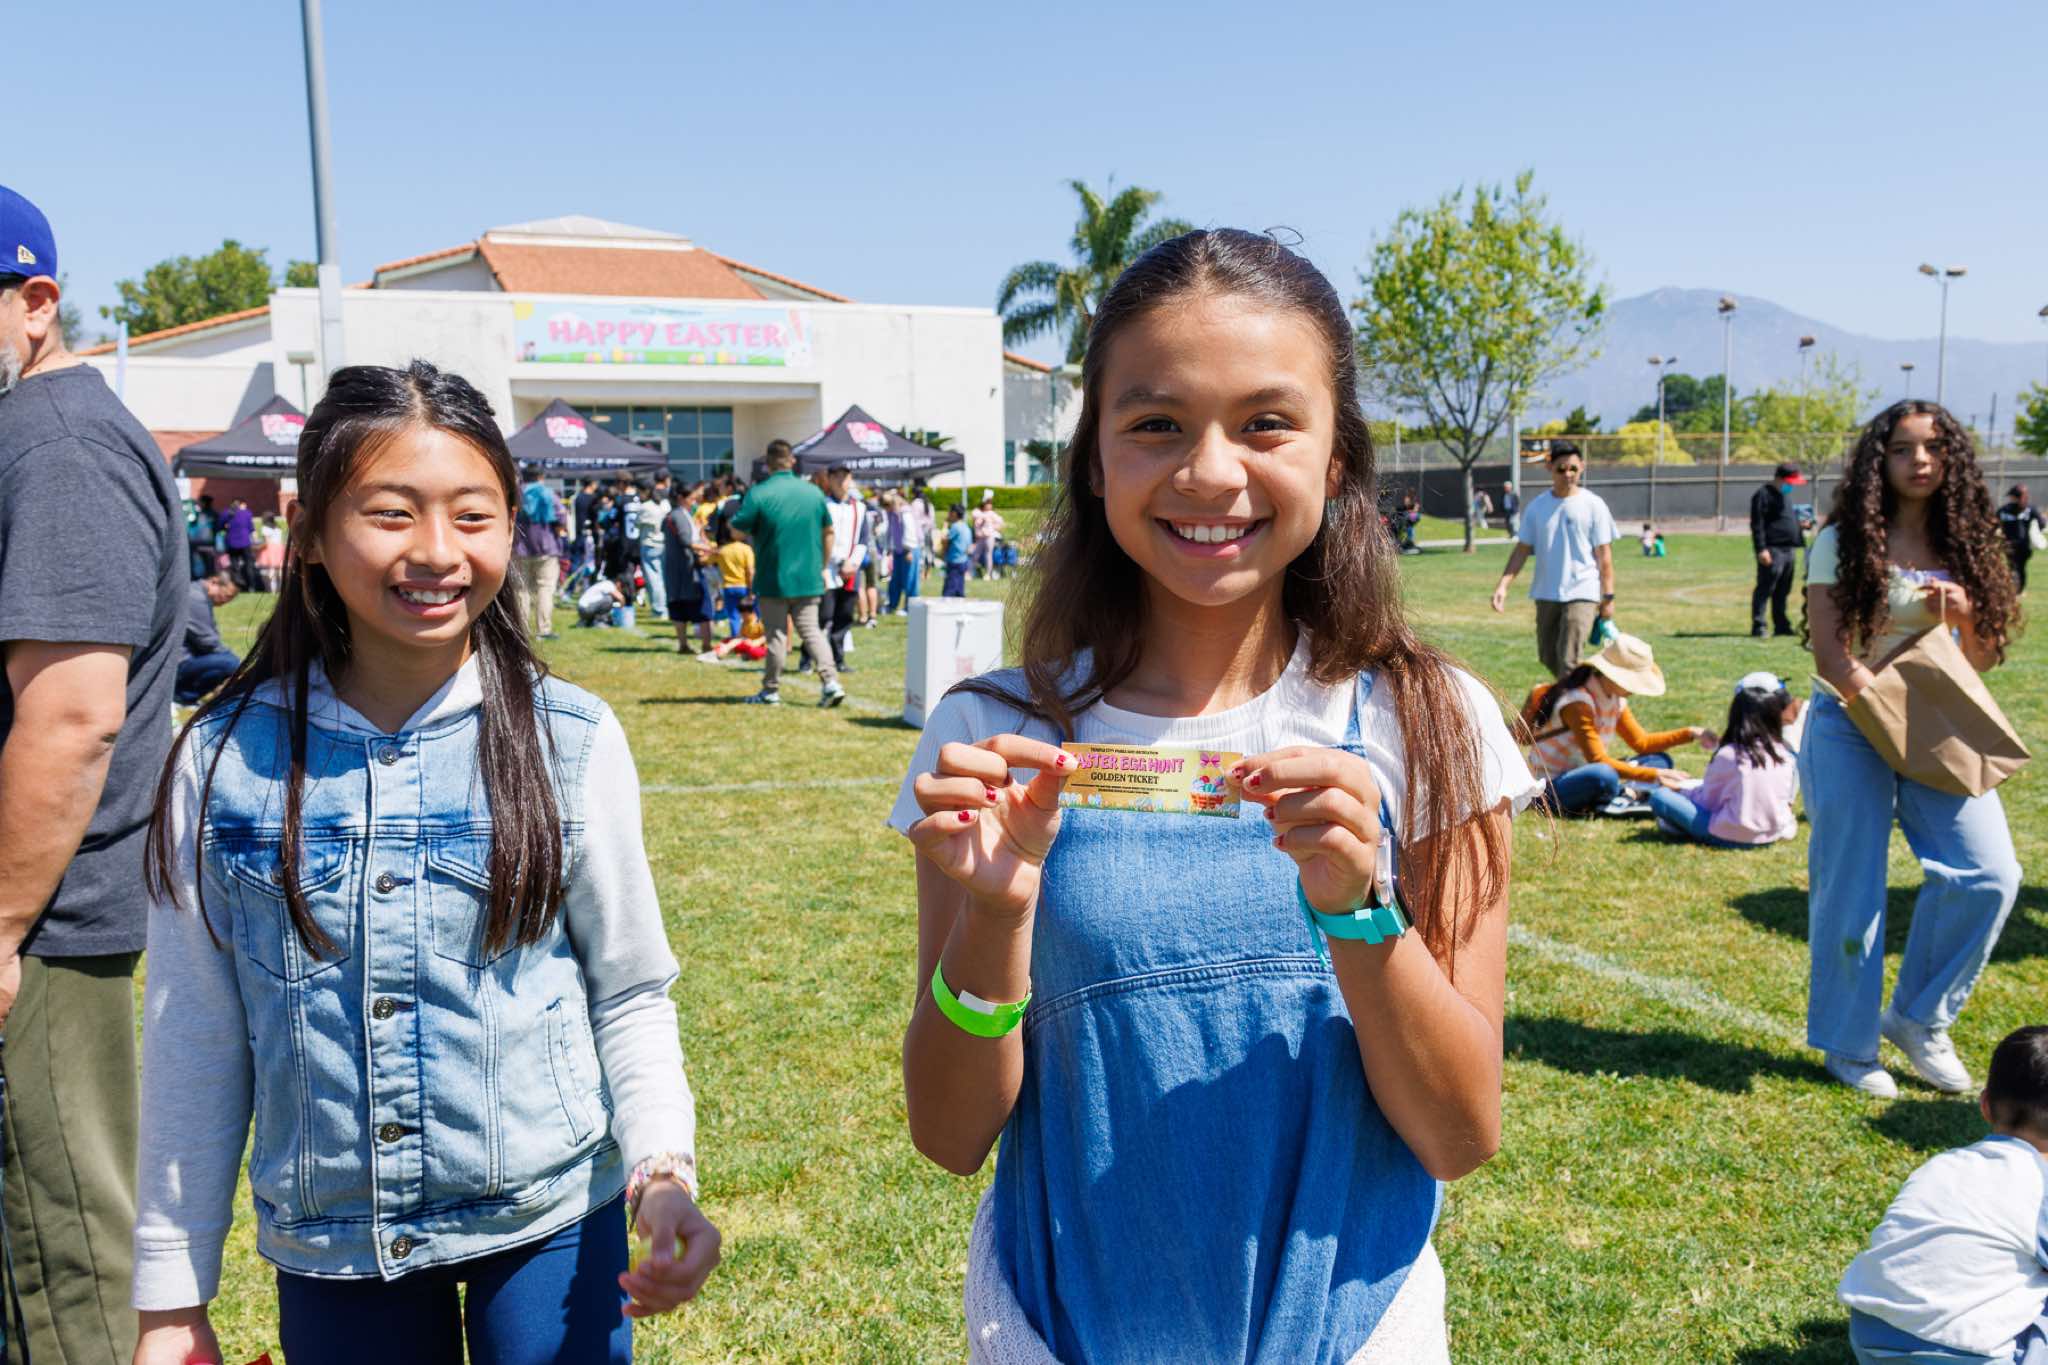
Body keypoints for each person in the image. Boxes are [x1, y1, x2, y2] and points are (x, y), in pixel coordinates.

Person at [893, 228, 1537, 1363]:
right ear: (1094, 460)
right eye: (1155, 423)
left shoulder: (1430, 720)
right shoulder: (991, 736)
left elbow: (1457, 1131)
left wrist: (1360, 913)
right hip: (1056, 1335)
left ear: (1336, 458)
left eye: (1266, 423)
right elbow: (949, 1136)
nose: (1208, 472)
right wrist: (995, 916)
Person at [130, 361, 718, 1365]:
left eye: (472, 515)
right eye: (391, 513)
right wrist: (170, 1301)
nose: (437, 551)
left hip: (546, 1218)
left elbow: (628, 990)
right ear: (310, 534)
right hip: (332, 1245)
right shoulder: (221, 760)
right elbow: (195, 1036)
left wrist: (663, 1169)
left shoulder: (572, 738)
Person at [0, 185, 185, 1364]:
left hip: (42, 936)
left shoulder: (60, 445)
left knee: (59, 1281)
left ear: (35, 304)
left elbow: (72, 720)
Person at [1801, 400, 2021, 1099]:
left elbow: (1981, 660)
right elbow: (1831, 653)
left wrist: (1966, 615)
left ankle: (1920, 1018)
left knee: (1989, 873)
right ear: (1880, 459)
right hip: (1848, 724)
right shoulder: (1841, 540)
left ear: (1952, 457)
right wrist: (1885, 717)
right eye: (1902, 448)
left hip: (1935, 723)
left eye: (1932, 447)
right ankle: (1848, 1044)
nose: (1919, 460)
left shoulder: (1969, 541)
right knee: (1853, 888)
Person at [1837, 1025, 2048, 1365]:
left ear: (1985, 1105)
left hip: (1872, 1340)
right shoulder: (2041, 1187)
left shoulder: (1942, 1164)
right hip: (1961, 1356)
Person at [1518, 633, 1712, 817]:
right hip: (1552, 785)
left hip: (1584, 770)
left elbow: (1642, 743)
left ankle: (1621, 796)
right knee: (1604, 775)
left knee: (1659, 760)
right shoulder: (1578, 703)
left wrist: (1690, 733)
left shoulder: (1614, 698)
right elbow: (1597, 759)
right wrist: (1656, 775)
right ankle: (1625, 794)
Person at [1489, 441, 1618, 678]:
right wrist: (1503, 585)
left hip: (1583, 591)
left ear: (1582, 467)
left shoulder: (1594, 505)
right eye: (1561, 469)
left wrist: (1608, 597)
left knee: (1568, 660)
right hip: (1546, 592)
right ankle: (1585, 691)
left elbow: (1604, 555)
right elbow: (1522, 550)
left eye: (1573, 468)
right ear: (1549, 467)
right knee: (1548, 656)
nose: (1568, 474)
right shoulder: (1537, 507)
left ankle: (1573, 699)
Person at [731, 440, 845, 707]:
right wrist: (822, 565)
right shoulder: (813, 493)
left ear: (767, 463)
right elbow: (829, 532)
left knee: (777, 636)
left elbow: (736, 531)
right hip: (808, 577)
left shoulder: (759, 493)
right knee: (812, 632)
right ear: (792, 461)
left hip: (773, 579)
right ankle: (831, 682)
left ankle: (770, 690)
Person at [1646, 672, 1801, 848]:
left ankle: (1679, 826)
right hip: (1771, 834)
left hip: (1728, 835)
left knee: (1660, 797)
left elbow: (1709, 802)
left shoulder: (1729, 754)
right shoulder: (1784, 755)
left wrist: (1680, 790)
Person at [1751, 460, 1809, 637]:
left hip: (1788, 549)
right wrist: (1761, 549)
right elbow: (1757, 524)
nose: (1792, 486)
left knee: (1783, 590)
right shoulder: (1763, 495)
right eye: (1790, 482)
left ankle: (1781, 625)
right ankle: (1759, 625)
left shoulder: (1784, 495)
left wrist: (1800, 526)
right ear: (1780, 478)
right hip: (1772, 549)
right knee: (1765, 588)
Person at [509, 464, 566, 640]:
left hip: (520, 548)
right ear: (541, 477)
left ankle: (522, 629)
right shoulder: (549, 494)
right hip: (546, 548)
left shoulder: (516, 494)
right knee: (545, 588)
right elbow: (561, 517)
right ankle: (544, 629)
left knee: (521, 589)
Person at [817, 465, 864, 671]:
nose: (841, 481)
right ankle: (808, 658)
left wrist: (852, 562)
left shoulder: (859, 507)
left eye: (844, 476)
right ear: (829, 479)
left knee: (844, 616)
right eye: (836, 476)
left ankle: (838, 659)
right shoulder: (823, 505)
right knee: (823, 616)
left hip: (850, 568)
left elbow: (863, 539)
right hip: (827, 567)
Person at [174, 575, 240, 705]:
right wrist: (239, 663)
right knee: (231, 663)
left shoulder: (197, 594)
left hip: (183, 658)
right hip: (178, 662)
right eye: (226, 596)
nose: (225, 601)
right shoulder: (196, 598)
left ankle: (183, 697)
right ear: (214, 582)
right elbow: (208, 642)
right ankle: (181, 697)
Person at [1999, 483, 2044, 592]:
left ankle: (2016, 589)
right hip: (2017, 545)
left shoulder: (2006, 510)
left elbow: (2041, 523)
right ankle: (2017, 588)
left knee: (2016, 567)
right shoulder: (2029, 509)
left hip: (2016, 545)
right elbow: (2042, 524)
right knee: (2016, 567)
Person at [636, 476, 670, 619]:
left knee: (654, 579)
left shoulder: (645, 507)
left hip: (649, 544)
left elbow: (637, 524)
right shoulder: (665, 504)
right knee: (663, 577)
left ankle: (659, 609)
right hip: (664, 543)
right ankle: (665, 606)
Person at [222, 498, 256, 589]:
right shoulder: (247, 513)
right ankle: (251, 586)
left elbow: (220, 525)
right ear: (241, 504)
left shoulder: (226, 513)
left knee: (235, 565)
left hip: (232, 543)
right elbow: (251, 528)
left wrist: (226, 527)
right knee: (249, 565)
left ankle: (238, 585)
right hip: (245, 542)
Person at [941, 502, 971, 597]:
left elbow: (944, 540)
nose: (948, 514)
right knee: (959, 588)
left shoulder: (955, 527)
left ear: (954, 514)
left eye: (949, 512)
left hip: (954, 561)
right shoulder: (966, 526)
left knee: (949, 589)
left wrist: (945, 525)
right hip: (963, 561)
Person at [971, 495, 1005, 579]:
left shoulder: (992, 514)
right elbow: (975, 517)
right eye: (988, 504)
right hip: (980, 537)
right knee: (975, 554)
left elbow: (1000, 522)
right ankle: (970, 572)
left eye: (990, 504)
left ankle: (988, 574)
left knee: (988, 555)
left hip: (989, 537)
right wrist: (985, 518)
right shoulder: (978, 512)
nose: (990, 506)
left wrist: (994, 525)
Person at [186, 493, 218, 580]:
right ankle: (208, 578)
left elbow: (192, 527)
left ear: (204, 502)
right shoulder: (213, 514)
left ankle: (198, 578)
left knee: (201, 562)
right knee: (208, 564)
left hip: (200, 542)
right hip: (207, 542)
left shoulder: (200, 514)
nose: (199, 504)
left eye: (200, 502)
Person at [255, 515, 287, 590]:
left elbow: (267, 542)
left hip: (270, 549)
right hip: (279, 548)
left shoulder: (265, 529)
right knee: (280, 570)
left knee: (271, 570)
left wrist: (257, 548)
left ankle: (272, 589)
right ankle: (281, 588)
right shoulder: (278, 529)